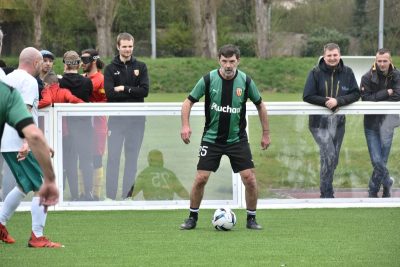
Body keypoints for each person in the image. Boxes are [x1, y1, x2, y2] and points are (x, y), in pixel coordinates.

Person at [179, 44, 270, 230]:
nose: (228, 65)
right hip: (212, 139)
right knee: (201, 178)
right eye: (224, 61)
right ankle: (192, 217)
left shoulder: (245, 81)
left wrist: (266, 133)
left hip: (237, 139)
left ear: (238, 61)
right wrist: (185, 125)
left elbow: (260, 105)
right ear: (218, 60)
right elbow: (188, 102)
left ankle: (251, 219)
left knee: (250, 179)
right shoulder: (208, 79)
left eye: (232, 61)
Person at [0, 47, 62, 247]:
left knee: (24, 184)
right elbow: (24, 113)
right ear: (36, 63)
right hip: (20, 141)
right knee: (41, 185)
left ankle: (0, 222)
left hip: (6, 142)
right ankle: (37, 236)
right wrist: (28, 143)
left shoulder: (7, 79)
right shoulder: (29, 82)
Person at [303, 43, 360, 198]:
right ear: (324, 56)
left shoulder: (348, 72)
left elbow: (356, 94)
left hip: (339, 122)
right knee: (330, 154)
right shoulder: (315, 72)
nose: (332, 58)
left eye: (335, 55)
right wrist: (327, 103)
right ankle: (327, 193)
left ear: (339, 55)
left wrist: (339, 101)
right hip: (317, 124)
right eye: (329, 55)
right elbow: (307, 95)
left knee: (331, 159)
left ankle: (326, 191)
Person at [104, 32, 149, 200]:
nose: (128, 50)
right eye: (124, 46)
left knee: (132, 160)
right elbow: (109, 94)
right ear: (118, 47)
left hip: (137, 122)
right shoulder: (110, 69)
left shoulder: (141, 67)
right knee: (113, 159)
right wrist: (133, 92)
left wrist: (123, 88)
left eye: (130, 46)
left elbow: (145, 91)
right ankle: (110, 197)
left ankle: (127, 197)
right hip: (116, 122)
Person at [360, 48, 400, 198]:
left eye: (385, 60)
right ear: (375, 61)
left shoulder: (397, 75)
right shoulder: (367, 77)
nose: (382, 64)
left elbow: (398, 95)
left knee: (382, 160)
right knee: (377, 160)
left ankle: (373, 190)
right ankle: (387, 182)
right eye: (379, 61)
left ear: (390, 61)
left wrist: (378, 97)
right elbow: (365, 99)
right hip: (371, 125)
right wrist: (386, 92)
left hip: (388, 124)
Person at [59, 50, 94, 201]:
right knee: (86, 161)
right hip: (85, 126)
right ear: (79, 65)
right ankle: (88, 193)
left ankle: (74, 195)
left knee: (70, 162)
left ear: (65, 65)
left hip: (66, 127)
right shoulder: (87, 82)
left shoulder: (60, 82)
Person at [81, 48, 107, 201]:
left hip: (98, 125)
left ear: (94, 61)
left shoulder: (101, 79)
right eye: (80, 59)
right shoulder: (81, 78)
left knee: (97, 157)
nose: (81, 63)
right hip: (82, 125)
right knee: (82, 157)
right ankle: (83, 194)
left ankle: (96, 195)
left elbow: (105, 100)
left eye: (85, 60)